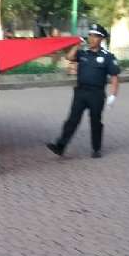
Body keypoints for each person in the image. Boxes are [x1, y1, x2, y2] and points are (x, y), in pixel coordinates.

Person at [47, 23, 120, 159]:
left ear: (101, 39)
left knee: (95, 121)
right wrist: (76, 45)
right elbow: (69, 57)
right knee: (72, 120)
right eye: (90, 36)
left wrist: (113, 96)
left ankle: (96, 148)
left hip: (96, 94)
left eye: (95, 36)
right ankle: (60, 146)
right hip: (80, 92)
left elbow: (115, 77)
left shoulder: (108, 57)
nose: (92, 39)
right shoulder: (83, 53)